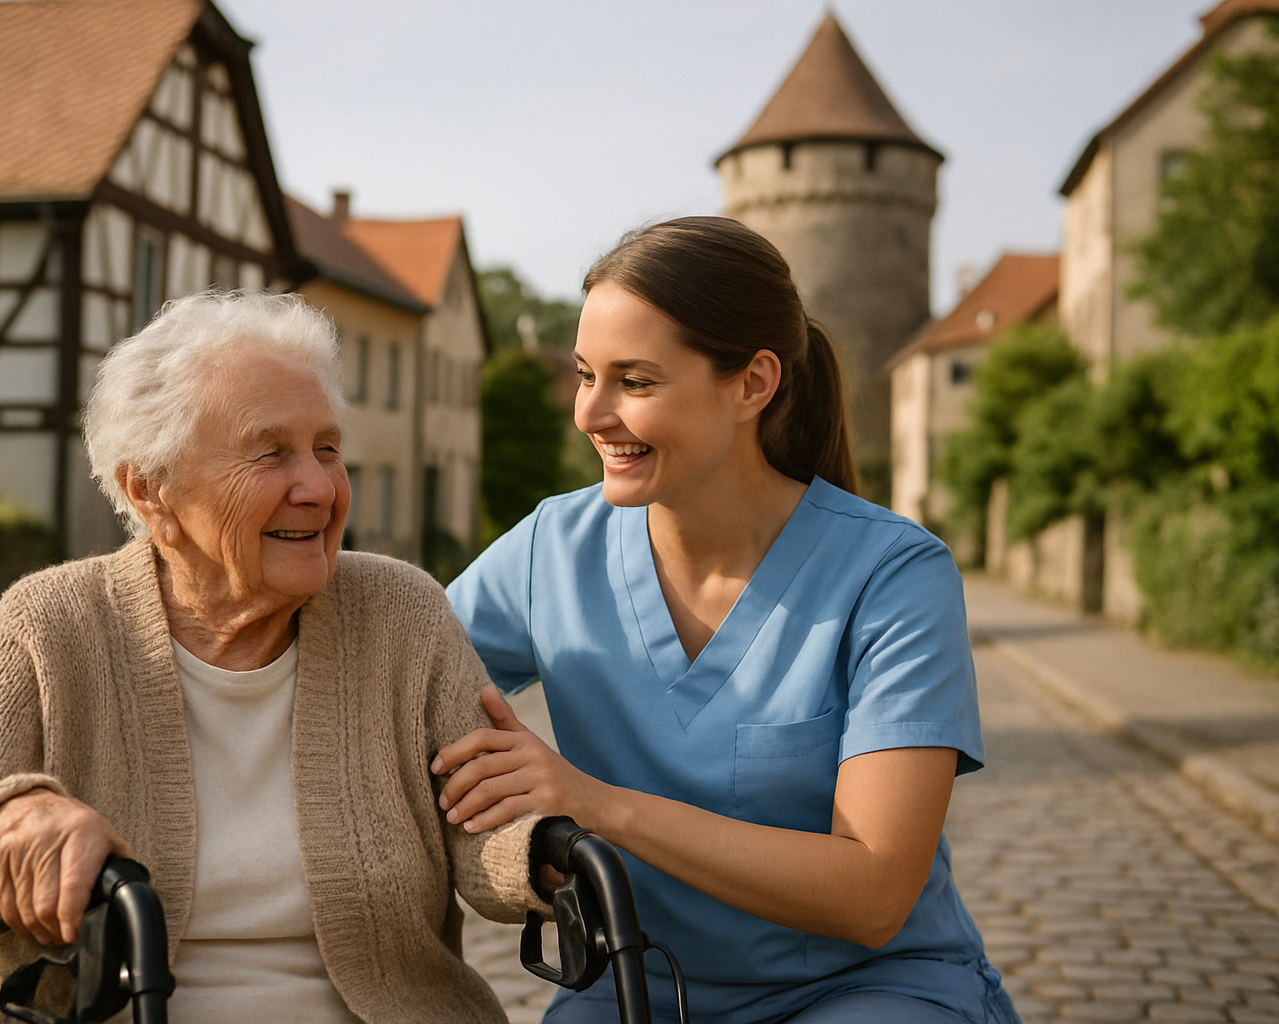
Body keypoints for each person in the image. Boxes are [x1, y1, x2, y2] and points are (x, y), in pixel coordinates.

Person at [0, 290, 549, 1024]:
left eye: (327, 448)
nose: (318, 487)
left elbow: (488, 836)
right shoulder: (51, 626)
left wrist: (544, 844)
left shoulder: (402, 613)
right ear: (151, 490)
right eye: (270, 453)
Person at [435, 217, 1022, 1024]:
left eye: (634, 382)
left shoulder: (894, 575)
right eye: (584, 375)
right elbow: (395, 681)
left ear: (753, 384)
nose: (591, 413)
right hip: (639, 983)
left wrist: (599, 804)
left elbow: (876, 893)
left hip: (869, 988)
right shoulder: (549, 550)